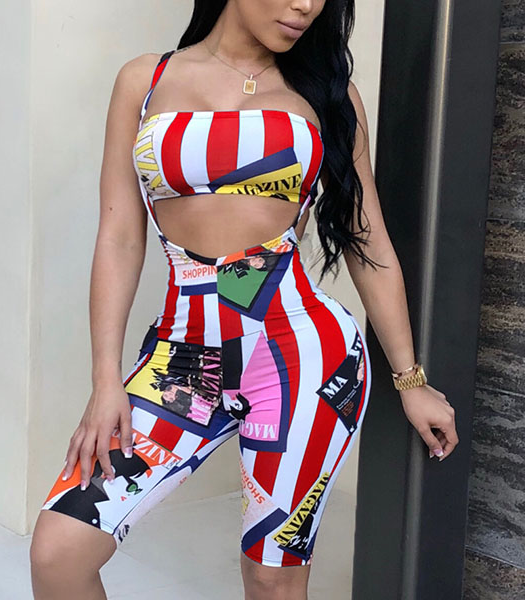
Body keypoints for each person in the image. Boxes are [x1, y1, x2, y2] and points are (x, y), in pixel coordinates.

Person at [29, 1, 460, 598]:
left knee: (270, 579)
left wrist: (411, 381)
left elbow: (368, 243)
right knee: (58, 553)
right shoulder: (144, 80)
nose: (306, 5)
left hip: (301, 359)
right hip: (183, 363)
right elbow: (120, 237)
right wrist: (106, 382)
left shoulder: (328, 96)